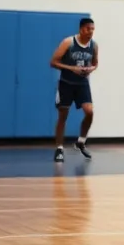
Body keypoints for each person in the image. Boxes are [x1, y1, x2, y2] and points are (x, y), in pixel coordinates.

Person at [50, 17, 97, 162]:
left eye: (93, 29)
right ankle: (59, 149)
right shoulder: (68, 42)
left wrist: (90, 69)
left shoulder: (94, 45)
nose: (91, 32)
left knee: (89, 112)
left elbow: (95, 63)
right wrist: (72, 68)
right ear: (81, 29)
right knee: (63, 116)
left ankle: (81, 142)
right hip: (66, 83)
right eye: (88, 29)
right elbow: (53, 62)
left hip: (82, 83)